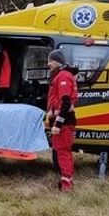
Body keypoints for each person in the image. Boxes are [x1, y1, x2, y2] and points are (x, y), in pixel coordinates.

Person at [46, 48, 78, 191]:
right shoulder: (65, 75)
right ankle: (67, 181)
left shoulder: (63, 76)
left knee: (63, 152)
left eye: (51, 61)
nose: (49, 64)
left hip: (63, 123)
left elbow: (65, 102)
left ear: (58, 62)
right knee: (65, 151)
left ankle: (66, 185)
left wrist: (58, 123)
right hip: (66, 121)